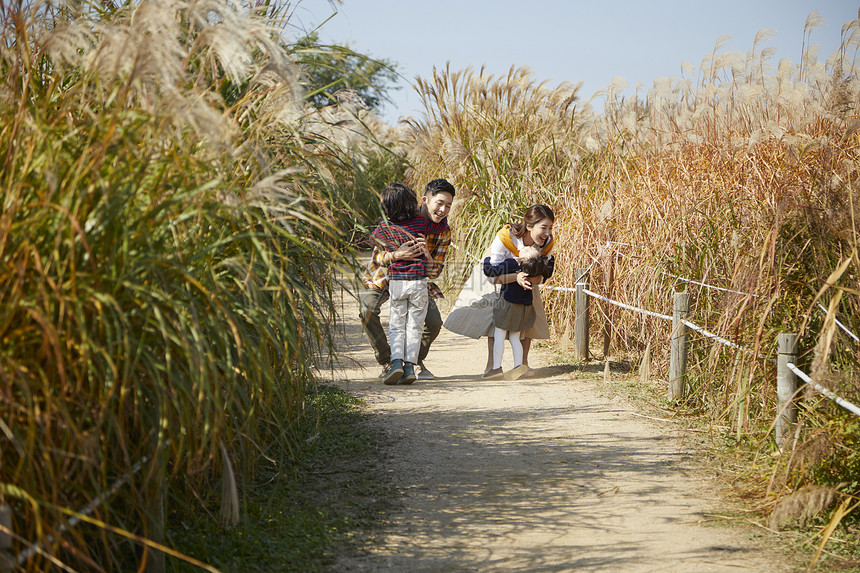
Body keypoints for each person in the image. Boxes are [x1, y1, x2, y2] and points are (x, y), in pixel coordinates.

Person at [360, 179, 454, 383]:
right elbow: (376, 255)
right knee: (367, 310)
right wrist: (396, 255)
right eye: (439, 203)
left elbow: (436, 271)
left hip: (416, 279)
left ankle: (410, 361)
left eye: (448, 205)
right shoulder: (399, 213)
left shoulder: (442, 231)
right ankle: (388, 362)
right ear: (424, 200)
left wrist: (426, 254)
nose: (443, 210)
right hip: (385, 275)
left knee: (433, 322)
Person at [482, 205, 556, 378]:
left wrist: (527, 278)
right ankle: (492, 366)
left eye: (550, 228)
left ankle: (522, 364)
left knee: (525, 323)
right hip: (499, 281)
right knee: (496, 325)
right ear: (529, 226)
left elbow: (546, 274)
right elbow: (491, 272)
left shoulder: (546, 244)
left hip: (527, 285)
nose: (547, 233)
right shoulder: (506, 237)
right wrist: (518, 270)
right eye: (543, 228)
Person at [483, 245, 551, 379]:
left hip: (507, 305)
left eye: (526, 251)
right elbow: (547, 270)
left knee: (499, 335)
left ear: (521, 261)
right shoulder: (536, 269)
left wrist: (488, 257)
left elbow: (489, 270)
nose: (526, 247)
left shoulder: (513, 264)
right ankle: (518, 366)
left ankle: (496, 368)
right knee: (515, 338)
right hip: (524, 308)